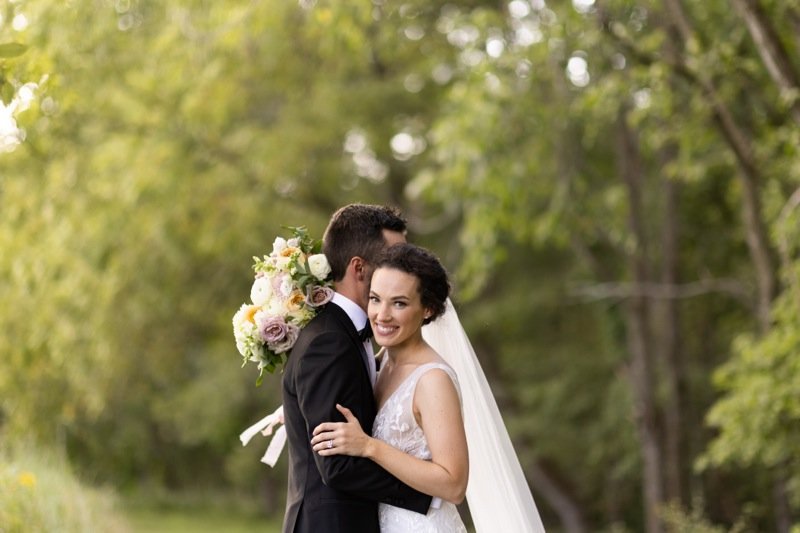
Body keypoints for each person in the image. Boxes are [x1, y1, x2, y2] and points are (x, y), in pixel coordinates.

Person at [281, 204, 433, 533]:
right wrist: (427, 494)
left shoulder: (350, 335)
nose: (407, 271)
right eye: (395, 260)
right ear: (359, 269)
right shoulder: (330, 343)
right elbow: (337, 465)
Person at [311, 243, 469, 532]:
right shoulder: (380, 363)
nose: (382, 315)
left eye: (399, 303)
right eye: (375, 299)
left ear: (427, 309)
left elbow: (454, 484)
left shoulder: (432, 380)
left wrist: (370, 447)